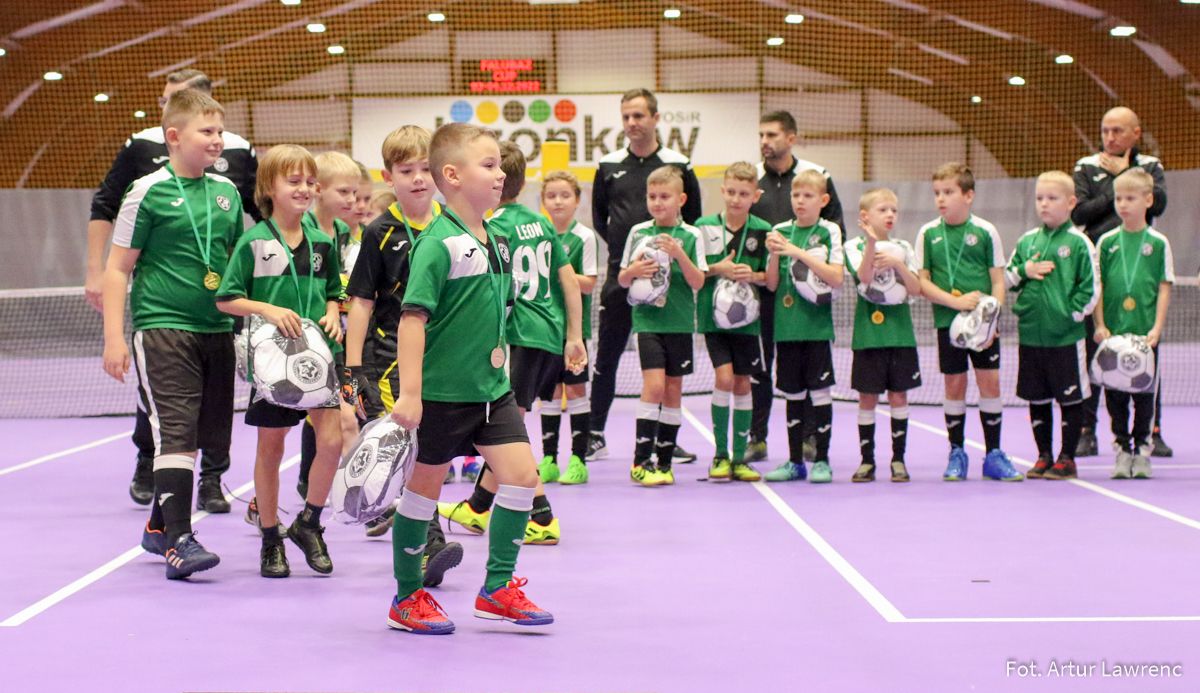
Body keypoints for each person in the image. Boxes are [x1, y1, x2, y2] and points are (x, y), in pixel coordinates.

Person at [386, 123, 555, 634]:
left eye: (499, 165)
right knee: (423, 494)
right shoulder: (437, 244)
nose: (501, 174)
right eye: (489, 165)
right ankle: (406, 598)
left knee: (521, 477)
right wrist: (410, 393)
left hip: (493, 391)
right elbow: (412, 320)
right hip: (441, 395)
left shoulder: (498, 238)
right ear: (453, 176)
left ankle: (496, 588)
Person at [87, 69, 257, 513]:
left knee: (213, 428)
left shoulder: (227, 192)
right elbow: (118, 268)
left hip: (216, 327)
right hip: (163, 325)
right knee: (176, 430)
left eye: (219, 131)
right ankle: (173, 531)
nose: (218, 140)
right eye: (207, 131)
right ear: (174, 137)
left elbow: (233, 260)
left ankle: (192, 501)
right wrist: (113, 339)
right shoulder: (146, 190)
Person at [437, 142, 585, 544]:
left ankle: (542, 518)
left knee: (505, 432)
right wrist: (574, 336)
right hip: (548, 335)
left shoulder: (494, 227)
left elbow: (493, 293)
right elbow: (569, 282)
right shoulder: (541, 224)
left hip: (518, 336)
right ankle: (476, 508)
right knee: (502, 428)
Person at [340, 125, 463, 585]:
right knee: (409, 450)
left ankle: (414, 535)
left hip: (444, 359)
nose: (417, 178)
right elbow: (361, 303)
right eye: (406, 170)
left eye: (425, 169)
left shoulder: (454, 223)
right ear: (388, 176)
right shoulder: (379, 232)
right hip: (391, 359)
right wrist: (352, 371)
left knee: (432, 452)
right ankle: (429, 545)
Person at [215, 145, 344, 577]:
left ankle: (309, 522)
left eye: (310, 181)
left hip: (318, 361)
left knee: (331, 441)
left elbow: (334, 291)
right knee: (271, 449)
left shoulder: (323, 241)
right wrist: (267, 310)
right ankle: (270, 539)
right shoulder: (253, 242)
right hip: (273, 365)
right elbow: (226, 299)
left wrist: (332, 311)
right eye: (294, 181)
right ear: (270, 187)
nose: (304, 188)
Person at [588, 88, 701, 463]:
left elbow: (693, 218)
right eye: (626, 116)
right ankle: (594, 435)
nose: (631, 123)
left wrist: (665, 258)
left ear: (655, 118)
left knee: (667, 372)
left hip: (669, 287)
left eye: (638, 116)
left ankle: (665, 442)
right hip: (623, 276)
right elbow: (600, 218)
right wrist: (631, 259)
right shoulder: (608, 165)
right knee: (607, 356)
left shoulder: (678, 164)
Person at [1072, 107, 1171, 458]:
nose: (1110, 137)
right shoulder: (1086, 166)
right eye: (1105, 130)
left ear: (1135, 133)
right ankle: (1088, 431)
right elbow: (1080, 213)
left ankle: (1153, 432)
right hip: (1101, 273)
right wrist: (1118, 181)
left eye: (1117, 131)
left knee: (1147, 354)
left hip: (1141, 274)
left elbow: (1158, 204)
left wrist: (1127, 173)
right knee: (1096, 351)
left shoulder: (1151, 166)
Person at [747, 111, 846, 465]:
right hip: (763, 290)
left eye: (772, 134)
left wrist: (812, 274)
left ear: (791, 138)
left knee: (809, 372)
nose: (765, 141)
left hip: (807, 297)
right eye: (761, 134)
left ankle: (810, 440)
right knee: (761, 368)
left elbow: (835, 231)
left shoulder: (818, 175)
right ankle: (757, 438)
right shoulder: (753, 177)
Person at [915, 163, 1019, 482]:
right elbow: (922, 283)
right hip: (948, 324)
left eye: (948, 192)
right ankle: (956, 453)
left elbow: (998, 281)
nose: (941, 199)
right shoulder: (928, 233)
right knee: (954, 385)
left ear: (968, 195)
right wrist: (955, 302)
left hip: (982, 327)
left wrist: (992, 319)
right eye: (937, 193)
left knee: (990, 383)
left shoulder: (986, 231)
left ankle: (994, 455)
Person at [1005, 171, 1098, 481]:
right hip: (1031, 336)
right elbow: (1007, 278)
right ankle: (1044, 455)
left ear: (1071, 203)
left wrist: (1069, 315)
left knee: (1070, 397)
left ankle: (1067, 458)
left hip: (1065, 339)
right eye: (1039, 198)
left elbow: (1091, 288)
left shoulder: (1080, 243)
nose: (1044, 204)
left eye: (1052, 198)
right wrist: (1025, 269)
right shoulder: (1027, 241)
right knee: (1037, 397)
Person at [617, 166, 706, 486]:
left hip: (679, 323)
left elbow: (698, 281)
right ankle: (641, 461)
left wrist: (679, 254)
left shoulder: (692, 235)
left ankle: (665, 463)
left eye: (664, 196)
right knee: (653, 386)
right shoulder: (639, 233)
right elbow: (622, 279)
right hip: (647, 321)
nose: (657, 202)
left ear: (681, 200)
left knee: (672, 390)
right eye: (652, 196)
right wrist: (634, 271)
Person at [762, 170, 844, 484]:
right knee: (793, 394)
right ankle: (795, 462)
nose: (800, 201)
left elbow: (836, 277)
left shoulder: (829, 231)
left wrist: (797, 252)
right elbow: (771, 284)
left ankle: (822, 460)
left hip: (816, 329)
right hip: (787, 328)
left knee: (819, 393)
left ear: (823, 200)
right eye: (796, 195)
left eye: (808, 196)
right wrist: (773, 255)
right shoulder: (780, 230)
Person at [1092, 169, 1174, 480]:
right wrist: (1100, 325)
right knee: (1115, 396)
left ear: (1148, 200)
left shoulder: (1159, 243)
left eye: (1130, 198)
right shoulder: (1107, 242)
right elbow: (1098, 286)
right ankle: (1122, 449)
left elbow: (1164, 286)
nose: (1123, 204)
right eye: (1118, 198)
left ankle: (1142, 450)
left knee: (1144, 395)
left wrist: (1157, 328)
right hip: (1114, 336)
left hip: (1145, 336)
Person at [694, 162, 771, 481]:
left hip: (747, 321)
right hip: (713, 319)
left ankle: (739, 458)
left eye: (744, 194)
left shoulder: (763, 230)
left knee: (742, 383)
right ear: (722, 191)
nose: (736, 199)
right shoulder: (703, 227)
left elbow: (771, 279)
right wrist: (718, 269)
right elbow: (695, 273)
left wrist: (753, 275)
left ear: (756, 196)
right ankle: (720, 455)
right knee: (724, 378)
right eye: (731, 192)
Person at [294, 151, 361, 501]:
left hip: (336, 342)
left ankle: (333, 490)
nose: (352, 200)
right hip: (301, 342)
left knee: (342, 417)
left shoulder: (341, 231)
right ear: (318, 190)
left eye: (355, 192)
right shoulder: (299, 229)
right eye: (344, 192)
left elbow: (337, 283)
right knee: (280, 433)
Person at [844, 188, 922, 483]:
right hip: (868, 336)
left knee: (899, 396)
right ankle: (867, 461)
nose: (890, 215)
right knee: (867, 398)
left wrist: (898, 264)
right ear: (865, 216)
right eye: (883, 210)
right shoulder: (853, 246)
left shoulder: (903, 247)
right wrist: (871, 244)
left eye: (894, 210)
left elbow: (916, 289)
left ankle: (898, 460)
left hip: (900, 335)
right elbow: (864, 277)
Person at [537, 170, 599, 484]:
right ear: (543, 201)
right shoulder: (538, 235)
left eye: (565, 195)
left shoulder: (584, 237)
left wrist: (561, 273)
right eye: (551, 196)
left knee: (575, 391)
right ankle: (549, 459)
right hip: (545, 329)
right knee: (549, 393)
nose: (558, 201)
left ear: (577, 200)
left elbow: (589, 283)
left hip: (575, 330)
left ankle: (578, 460)